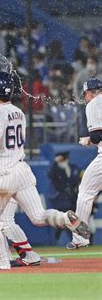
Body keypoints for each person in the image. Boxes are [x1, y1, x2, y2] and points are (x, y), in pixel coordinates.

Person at [0, 71, 90, 270]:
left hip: (2, 175)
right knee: (38, 216)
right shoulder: (18, 112)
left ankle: (0, 262)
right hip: (21, 171)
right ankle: (64, 218)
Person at [68, 78, 102, 249]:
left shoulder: (94, 103)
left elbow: (97, 136)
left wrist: (89, 140)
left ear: (90, 93)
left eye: (86, 93)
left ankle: (80, 237)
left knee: (86, 192)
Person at [48, 152, 81, 241]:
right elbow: (50, 175)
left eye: (63, 159)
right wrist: (55, 162)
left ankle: (75, 240)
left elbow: (78, 179)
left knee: (73, 220)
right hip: (61, 199)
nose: (62, 162)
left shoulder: (74, 167)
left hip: (73, 198)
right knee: (62, 220)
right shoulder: (56, 170)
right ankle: (57, 239)